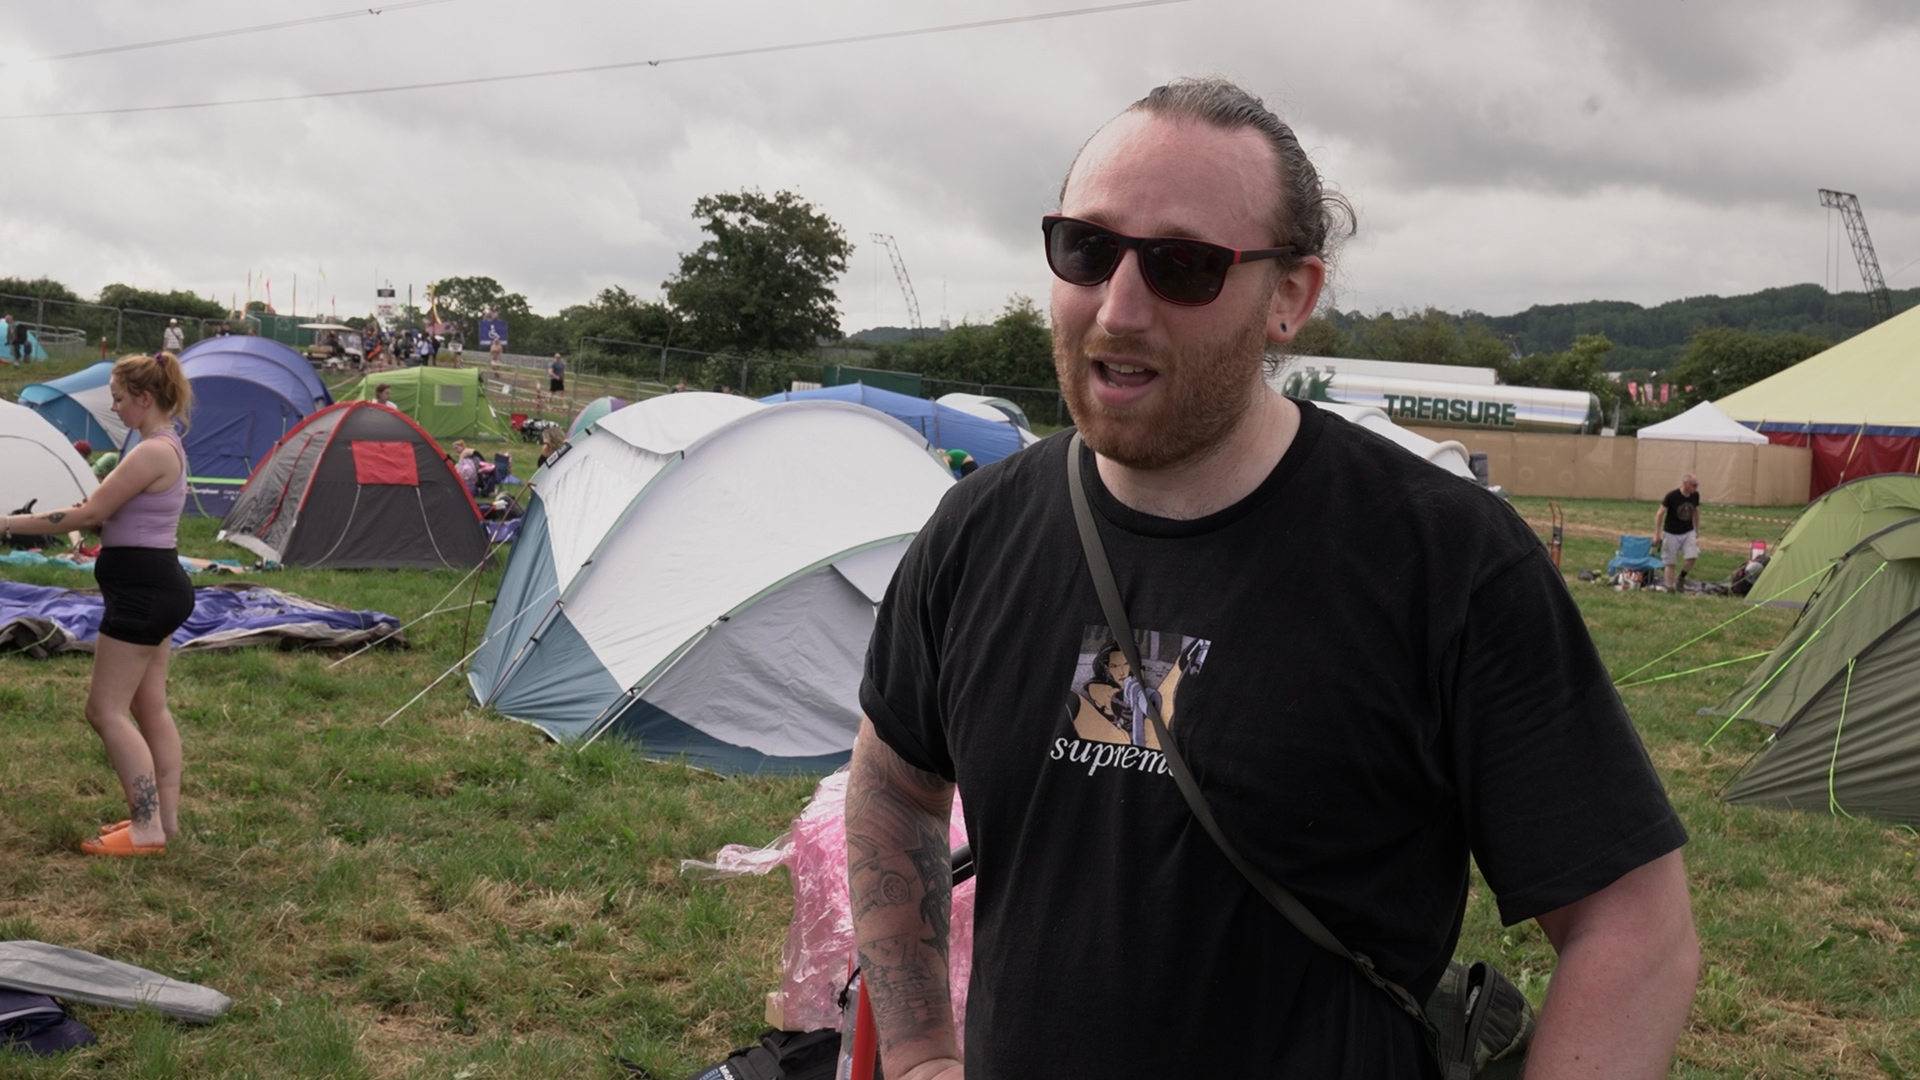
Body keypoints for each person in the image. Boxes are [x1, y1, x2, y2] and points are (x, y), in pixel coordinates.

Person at [847, 77, 1698, 1079]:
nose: (1118, 308)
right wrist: (913, 1057)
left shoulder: (1445, 560)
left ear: (1288, 297)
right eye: (1086, 248)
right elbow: (893, 787)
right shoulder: (979, 529)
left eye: (1183, 266)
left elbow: (1633, 928)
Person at [0, 352, 196, 856]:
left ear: (144, 398)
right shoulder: (162, 444)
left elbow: (88, 512)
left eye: (118, 399)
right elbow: (102, 519)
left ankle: (148, 827)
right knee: (148, 706)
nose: (114, 408)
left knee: (104, 709)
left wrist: (6, 523)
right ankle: (162, 822)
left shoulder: (152, 450)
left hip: (143, 593)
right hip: (156, 587)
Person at [1654, 473, 1702, 592]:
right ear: (1686, 484)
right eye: (1694, 485)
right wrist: (1657, 534)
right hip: (1671, 532)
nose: (1696, 488)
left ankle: (1680, 578)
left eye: (1697, 485)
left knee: (1692, 557)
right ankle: (1670, 588)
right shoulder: (1672, 496)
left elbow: (1695, 511)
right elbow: (1660, 513)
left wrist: (1696, 528)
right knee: (1670, 562)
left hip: (1688, 531)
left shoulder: (1695, 496)